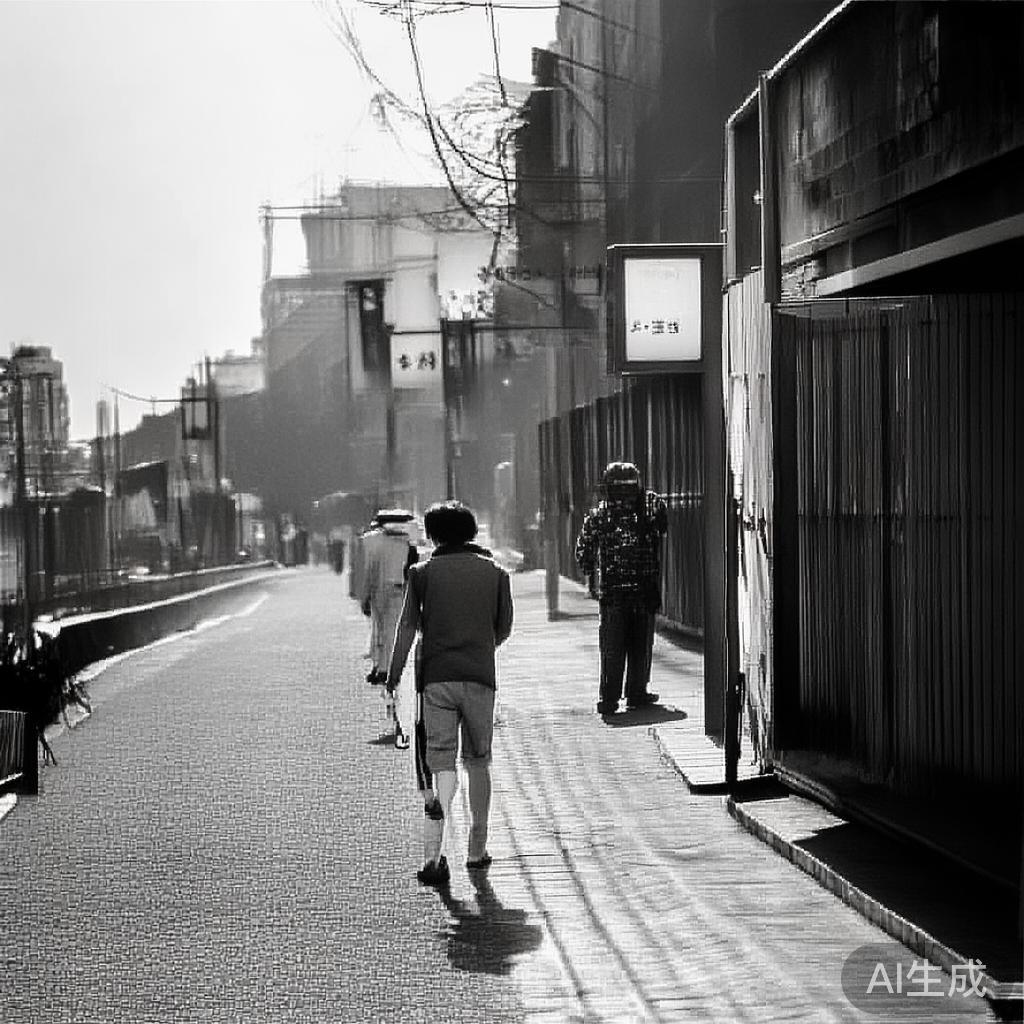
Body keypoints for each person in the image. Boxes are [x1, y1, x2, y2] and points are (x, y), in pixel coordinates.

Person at [386, 500, 513, 887]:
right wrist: (478, 646)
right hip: (479, 678)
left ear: (433, 533)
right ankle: (476, 850)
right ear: (471, 531)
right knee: (479, 761)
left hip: (435, 680)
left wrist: (393, 676)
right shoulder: (495, 573)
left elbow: (407, 628)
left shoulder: (421, 573)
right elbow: (503, 627)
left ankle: (435, 856)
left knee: (440, 763)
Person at [575, 461, 668, 716]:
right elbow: (662, 524)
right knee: (641, 644)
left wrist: (590, 573)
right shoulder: (649, 508)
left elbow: (583, 553)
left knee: (613, 647)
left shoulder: (598, 516)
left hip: (612, 593)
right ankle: (637, 692)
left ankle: (609, 697)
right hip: (645, 590)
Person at [360, 509, 419, 685]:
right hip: (399, 587)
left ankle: (379, 666)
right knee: (391, 629)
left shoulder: (371, 541)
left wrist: (365, 594)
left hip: (378, 588)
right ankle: (386, 668)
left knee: (379, 628)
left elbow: (367, 569)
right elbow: (413, 568)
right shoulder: (407, 542)